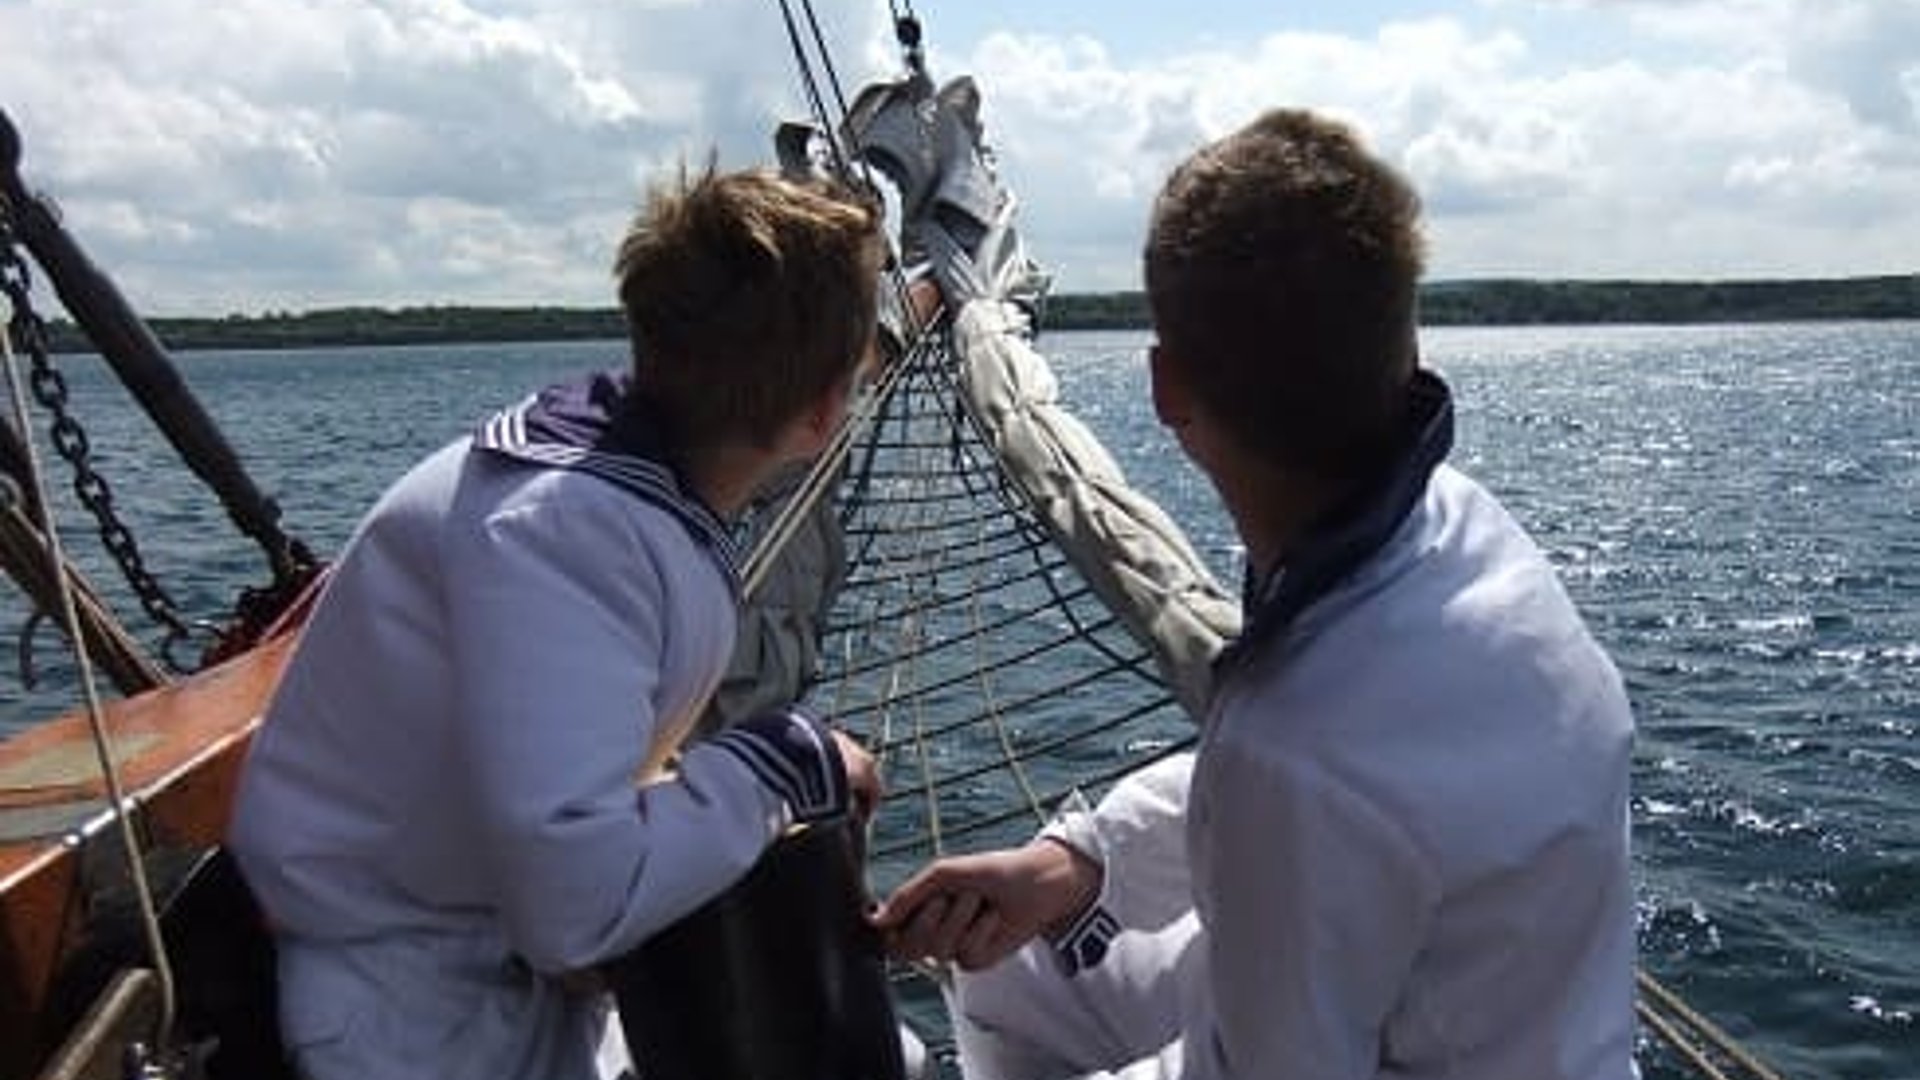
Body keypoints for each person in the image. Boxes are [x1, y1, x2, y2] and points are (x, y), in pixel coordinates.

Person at [869, 101, 1639, 1079]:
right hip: (1513, 1021)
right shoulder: (1461, 527)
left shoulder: (1290, 748)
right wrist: (1079, 865)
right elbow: (1357, 787)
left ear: (1165, 389)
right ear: (1405, 356)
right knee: (1019, 961)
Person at [228, 164, 885, 1080]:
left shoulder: (600, 489)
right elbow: (576, 903)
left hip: (488, 963)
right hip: (412, 1019)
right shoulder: (573, 535)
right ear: (822, 415)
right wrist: (786, 762)